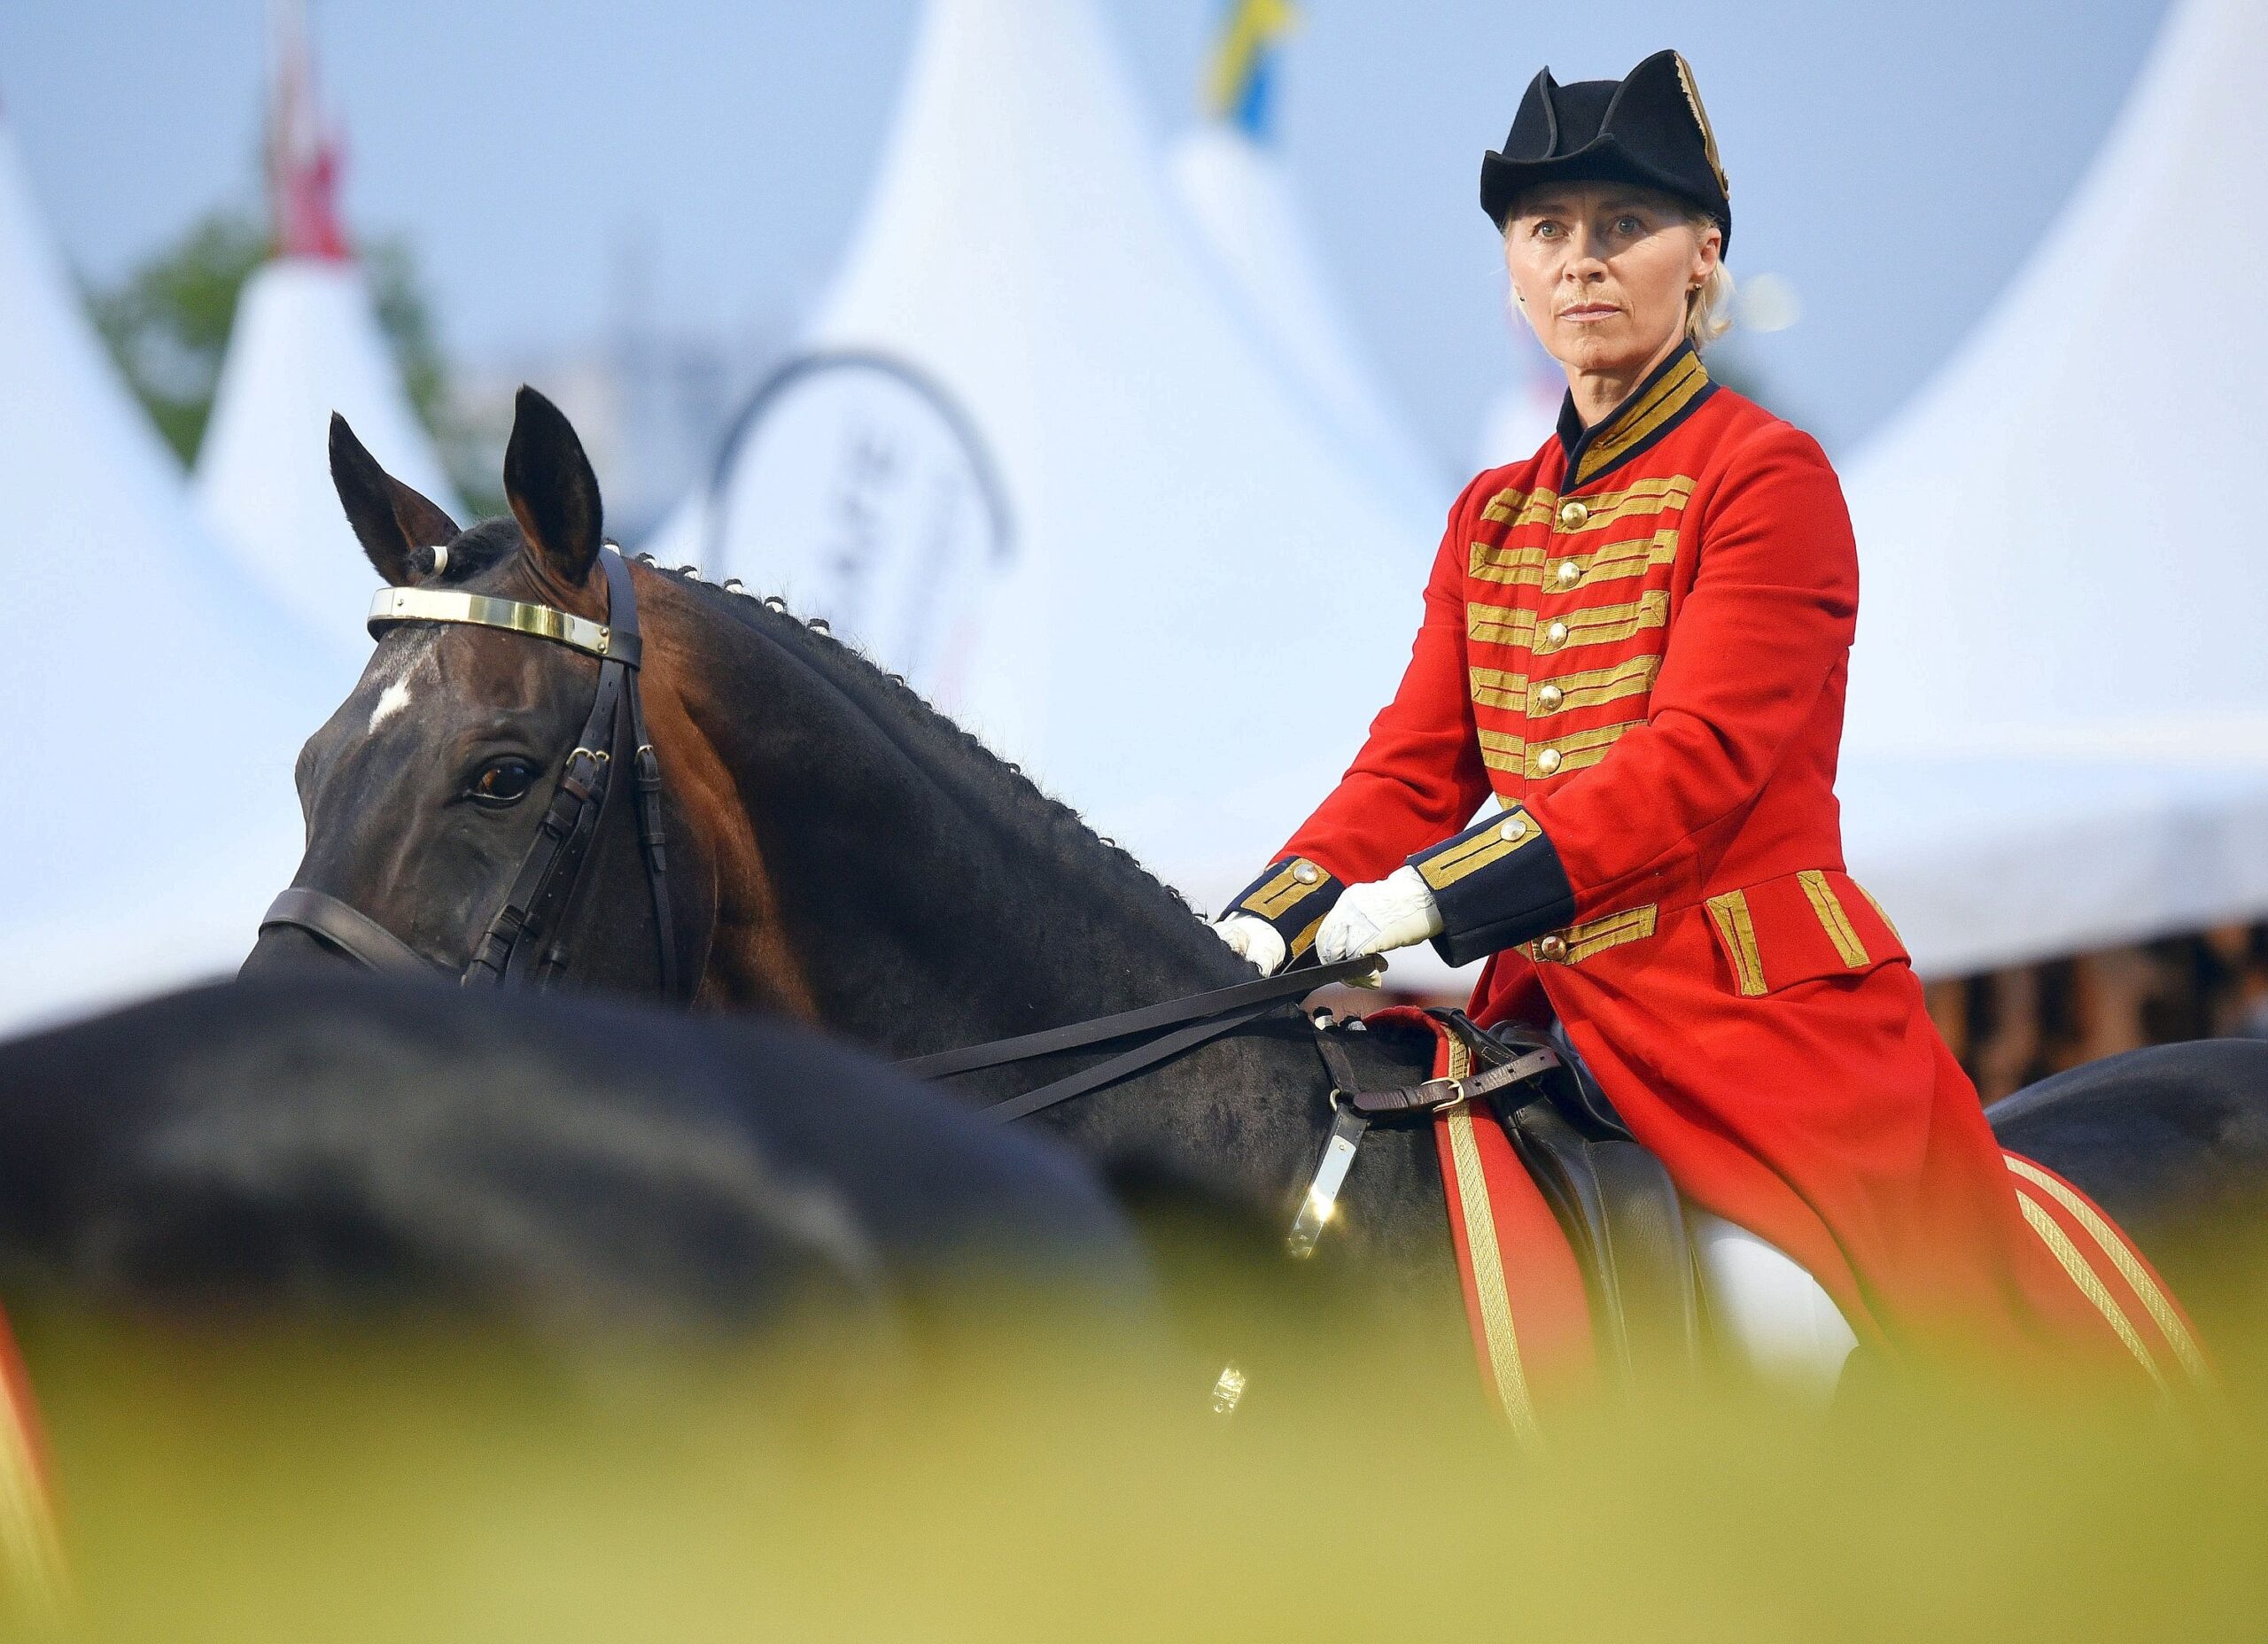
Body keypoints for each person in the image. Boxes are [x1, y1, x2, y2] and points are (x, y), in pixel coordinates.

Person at [1214, 50, 2128, 1379]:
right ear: (1512, 274)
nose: (1581, 262)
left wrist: (1418, 903)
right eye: (1547, 232)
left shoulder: (1770, 476)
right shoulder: (1491, 516)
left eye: (1623, 227)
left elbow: (1691, 764)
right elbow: (1411, 765)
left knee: (1786, 1345)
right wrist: (1272, 909)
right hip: (1546, 1015)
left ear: (1702, 257)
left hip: (1755, 1018)